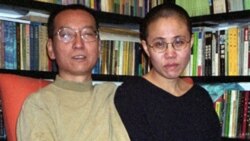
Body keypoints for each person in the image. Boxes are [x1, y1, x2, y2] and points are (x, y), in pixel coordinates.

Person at [16, 4, 130, 141]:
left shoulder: (113, 95)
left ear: (99, 47)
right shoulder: (39, 104)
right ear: (51, 48)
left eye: (87, 34)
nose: (78, 44)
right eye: (66, 35)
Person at [114, 3, 221, 141]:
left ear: (191, 42)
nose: (170, 54)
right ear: (146, 48)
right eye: (159, 44)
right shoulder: (130, 95)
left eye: (179, 42)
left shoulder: (200, 96)